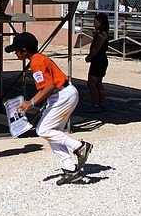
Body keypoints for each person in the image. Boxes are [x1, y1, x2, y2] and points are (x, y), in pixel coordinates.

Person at [7, 32, 93, 185]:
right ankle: (70, 168)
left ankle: (79, 146)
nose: (15, 53)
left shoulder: (36, 62)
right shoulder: (39, 58)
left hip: (63, 94)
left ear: (25, 50)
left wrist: (31, 102)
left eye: (17, 50)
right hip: (63, 94)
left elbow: (49, 86)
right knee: (52, 133)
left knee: (43, 130)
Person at [85, 13, 109, 112]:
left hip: (98, 61)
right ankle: (101, 102)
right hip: (102, 60)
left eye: (95, 22)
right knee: (98, 83)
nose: (94, 24)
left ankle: (95, 104)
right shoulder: (105, 34)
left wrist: (89, 57)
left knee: (92, 83)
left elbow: (96, 49)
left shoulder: (101, 35)